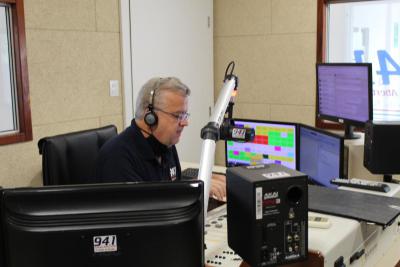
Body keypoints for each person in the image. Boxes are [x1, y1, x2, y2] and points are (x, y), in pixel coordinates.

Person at [96, 77, 226, 200]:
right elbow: (142, 211)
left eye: (185, 115)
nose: (185, 123)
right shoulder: (117, 157)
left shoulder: (165, 145)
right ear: (150, 116)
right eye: (177, 116)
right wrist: (192, 191)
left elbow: (169, 188)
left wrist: (196, 183)